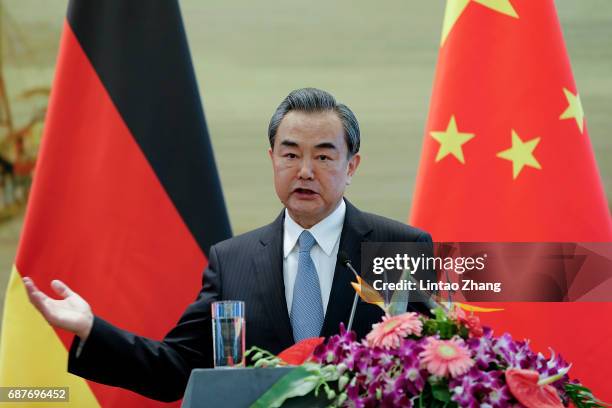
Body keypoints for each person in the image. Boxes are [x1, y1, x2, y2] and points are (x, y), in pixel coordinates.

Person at [23, 88, 432, 402]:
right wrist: (92, 329)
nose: (305, 171)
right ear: (272, 158)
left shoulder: (398, 247)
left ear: (352, 165)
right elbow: (176, 369)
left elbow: (433, 367)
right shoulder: (232, 260)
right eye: (290, 154)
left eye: (324, 158)